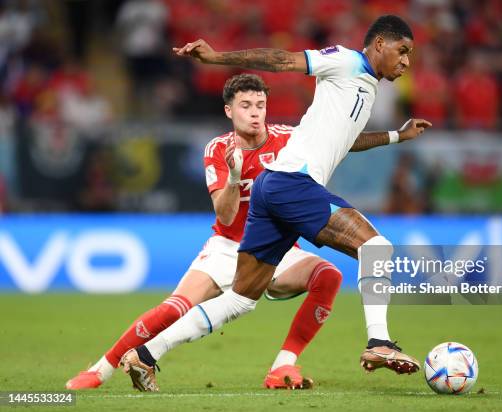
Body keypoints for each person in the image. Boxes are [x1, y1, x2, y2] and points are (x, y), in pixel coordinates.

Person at [122, 15, 432, 391]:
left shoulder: (365, 88)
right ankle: (379, 342)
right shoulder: (346, 61)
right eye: (403, 51)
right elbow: (282, 60)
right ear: (380, 44)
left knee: (240, 299)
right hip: (293, 183)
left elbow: (345, 141)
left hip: (273, 187)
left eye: (410, 55)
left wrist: (398, 136)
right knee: (377, 247)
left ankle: (145, 355)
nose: (406, 62)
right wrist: (218, 57)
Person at [66, 74, 346, 390]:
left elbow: (339, 140)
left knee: (328, 276)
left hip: (277, 248)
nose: (255, 112)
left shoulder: (290, 139)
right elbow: (225, 216)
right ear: (229, 111)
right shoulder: (219, 149)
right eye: (246, 106)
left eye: (260, 105)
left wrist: (392, 136)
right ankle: (100, 370)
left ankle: (283, 366)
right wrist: (235, 176)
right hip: (227, 247)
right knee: (173, 308)